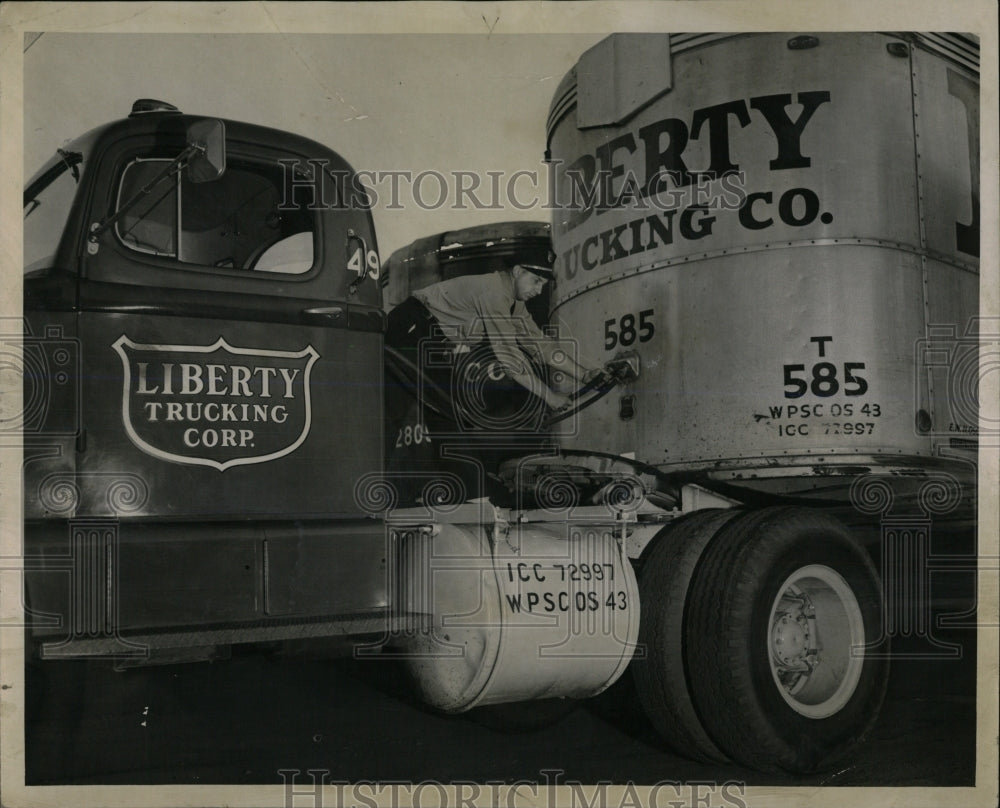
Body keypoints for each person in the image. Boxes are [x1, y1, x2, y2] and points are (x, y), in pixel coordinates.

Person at [385, 262, 600, 416]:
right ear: (517, 271)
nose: (539, 290)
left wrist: (584, 374)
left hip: (432, 341)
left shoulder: (515, 304)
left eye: (543, 284)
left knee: (452, 416)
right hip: (409, 329)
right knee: (392, 409)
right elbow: (509, 358)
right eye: (535, 281)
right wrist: (550, 397)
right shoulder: (494, 292)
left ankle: (465, 475)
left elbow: (541, 346)